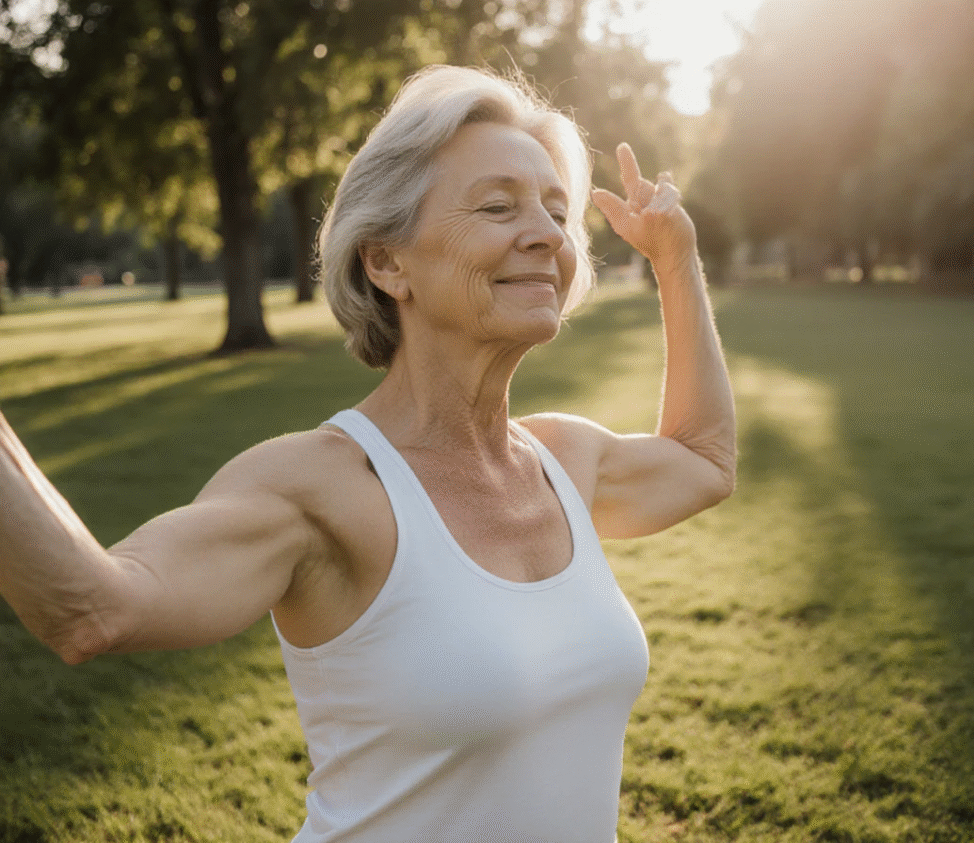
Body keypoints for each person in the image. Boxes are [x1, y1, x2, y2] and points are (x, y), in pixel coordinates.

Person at [0, 65, 736, 843]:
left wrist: (674, 258)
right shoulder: (319, 488)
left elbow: (705, 458)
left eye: (557, 211)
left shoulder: (566, 461)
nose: (549, 235)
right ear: (387, 263)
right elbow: (90, 608)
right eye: (497, 206)